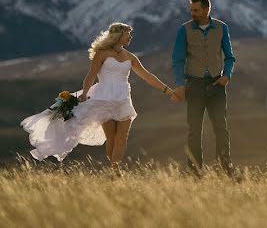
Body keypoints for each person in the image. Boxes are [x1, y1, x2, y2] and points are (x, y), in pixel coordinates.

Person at [21, 22, 178, 175]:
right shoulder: (102, 53)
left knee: (122, 138)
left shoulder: (131, 57)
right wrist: (84, 93)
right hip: (103, 99)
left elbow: (147, 76)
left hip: (123, 99)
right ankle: (115, 170)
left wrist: (167, 90)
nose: (130, 37)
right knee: (111, 137)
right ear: (118, 35)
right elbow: (91, 74)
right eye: (128, 34)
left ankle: (115, 170)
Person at [171, 0, 237, 176]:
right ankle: (194, 171)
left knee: (221, 128)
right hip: (195, 85)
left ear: (207, 10)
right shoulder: (184, 30)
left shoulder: (222, 28)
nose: (193, 13)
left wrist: (226, 76)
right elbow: (178, 59)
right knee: (194, 130)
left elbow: (230, 56)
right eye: (191, 10)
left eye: (196, 10)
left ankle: (225, 169)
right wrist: (180, 84)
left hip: (217, 85)